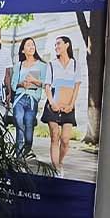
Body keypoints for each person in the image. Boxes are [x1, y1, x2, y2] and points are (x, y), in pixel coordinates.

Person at [45, 36, 84, 175]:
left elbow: (76, 87)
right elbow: (47, 86)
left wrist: (71, 105)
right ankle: (55, 167)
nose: (56, 47)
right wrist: (52, 103)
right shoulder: (51, 64)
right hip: (53, 106)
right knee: (55, 135)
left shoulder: (75, 64)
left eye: (59, 44)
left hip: (68, 107)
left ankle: (60, 161)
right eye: (55, 45)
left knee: (65, 140)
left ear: (67, 45)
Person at [12, 37, 49, 156]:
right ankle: (18, 156)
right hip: (19, 97)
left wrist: (34, 81)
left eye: (33, 45)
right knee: (19, 121)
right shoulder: (18, 65)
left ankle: (27, 149)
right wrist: (21, 84)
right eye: (28, 45)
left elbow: (45, 84)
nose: (31, 47)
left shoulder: (42, 65)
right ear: (23, 50)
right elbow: (13, 84)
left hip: (33, 99)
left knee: (28, 125)